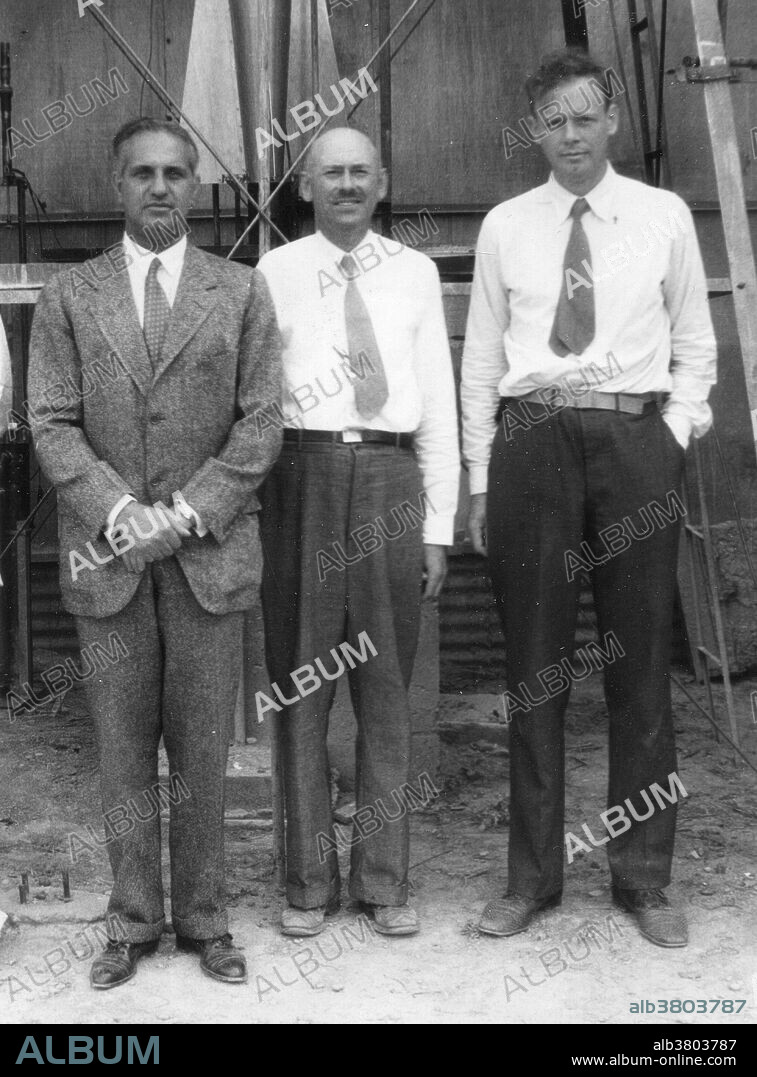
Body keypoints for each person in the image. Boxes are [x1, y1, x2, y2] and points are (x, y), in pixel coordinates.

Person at [461, 50, 716, 947]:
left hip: (632, 439)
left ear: (610, 120)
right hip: (532, 441)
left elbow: (695, 342)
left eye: (583, 117)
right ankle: (530, 880)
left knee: (640, 666)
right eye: (552, 121)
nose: (568, 136)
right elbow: (483, 360)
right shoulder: (504, 226)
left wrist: (669, 437)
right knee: (534, 672)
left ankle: (643, 878)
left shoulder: (662, 215)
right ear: (533, 130)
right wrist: (484, 475)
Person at [28, 118, 282, 987]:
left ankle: (206, 917)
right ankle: (133, 919)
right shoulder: (69, 296)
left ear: (197, 185)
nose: (162, 187)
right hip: (110, 558)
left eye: (177, 172)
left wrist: (186, 510)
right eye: (143, 173)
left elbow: (260, 422)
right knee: (124, 749)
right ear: (117, 185)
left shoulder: (241, 291)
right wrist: (120, 512)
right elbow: (52, 422)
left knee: (203, 747)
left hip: (206, 553)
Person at [257, 126, 459, 938]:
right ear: (304, 187)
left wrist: (438, 526)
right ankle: (307, 884)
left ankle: (384, 883)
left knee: (387, 694)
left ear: (382, 182)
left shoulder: (414, 273)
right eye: (329, 172)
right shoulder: (271, 274)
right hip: (297, 477)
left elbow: (438, 406)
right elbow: (253, 400)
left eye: (359, 172)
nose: (345, 184)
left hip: (389, 478)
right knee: (302, 689)